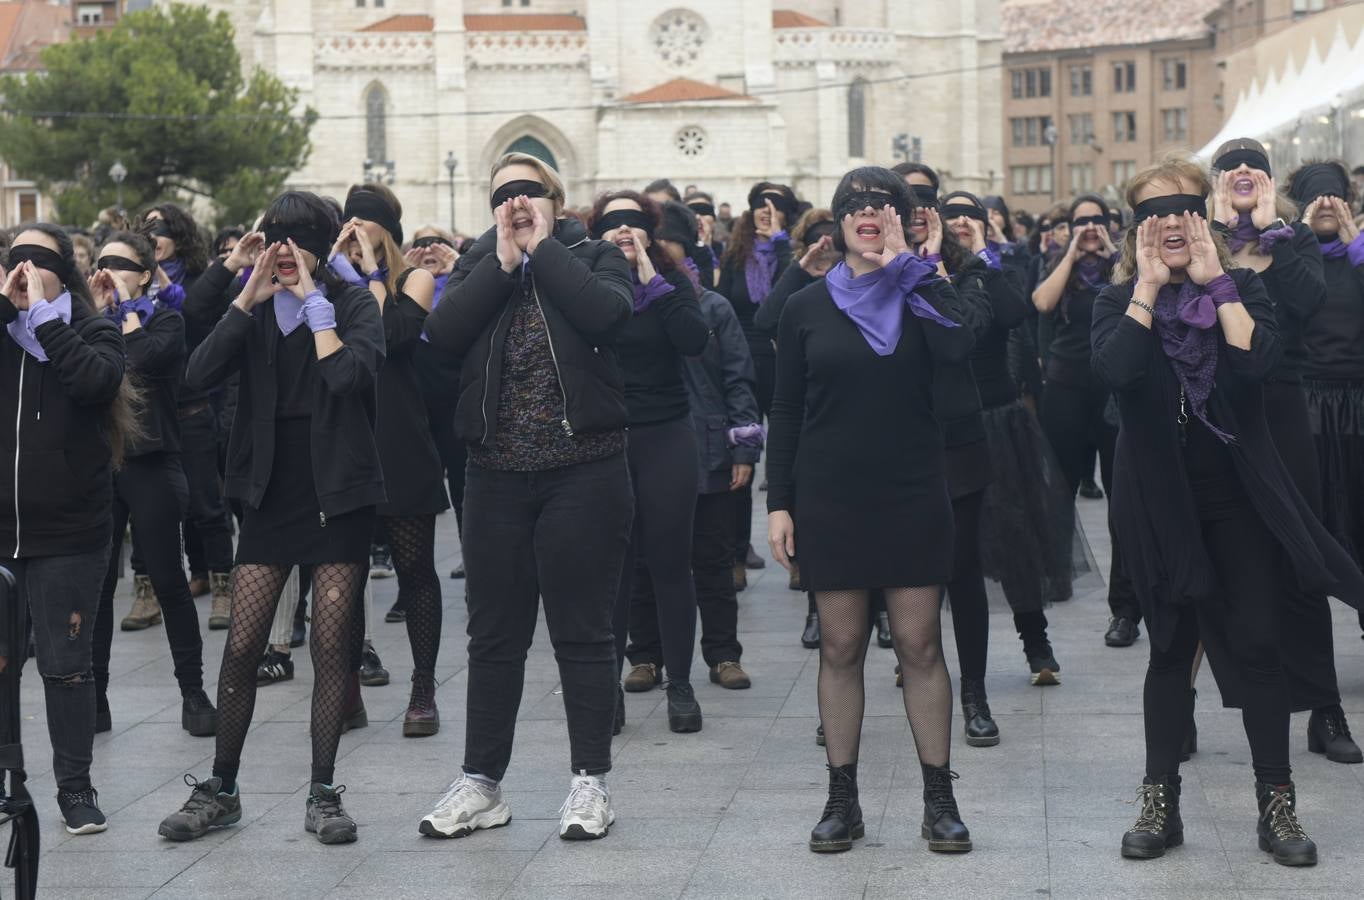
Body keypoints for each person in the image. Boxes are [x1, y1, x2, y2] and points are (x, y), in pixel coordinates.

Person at [1094, 157, 1363, 867]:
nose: (1169, 226)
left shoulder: (1241, 288)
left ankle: (1277, 805)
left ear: (1205, 218)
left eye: (1183, 211)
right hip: (1157, 500)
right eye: (1152, 215)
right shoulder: (1118, 300)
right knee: (1169, 650)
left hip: (1238, 496)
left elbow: (1257, 363)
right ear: (1135, 230)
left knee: (1259, 643)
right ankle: (1160, 802)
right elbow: (1116, 372)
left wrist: (1217, 282)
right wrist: (1148, 287)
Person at [158, 190, 385, 845]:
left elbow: (348, 377)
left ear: (319, 245)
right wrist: (243, 300)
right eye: (275, 238)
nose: (284, 251)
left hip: (337, 492)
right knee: (242, 647)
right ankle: (222, 788)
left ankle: (323, 794)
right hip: (268, 494)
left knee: (331, 648)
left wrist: (317, 307)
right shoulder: (254, 310)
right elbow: (196, 374)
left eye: (298, 240)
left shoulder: (352, 304)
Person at [419, 152, 634, 841]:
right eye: (502, 194)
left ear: (554, 199)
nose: (515, 203)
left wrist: (544, 249)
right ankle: (482, 784)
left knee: (582, 630)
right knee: (494, 636)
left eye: (528, 191)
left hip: (584, 471)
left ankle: (590, 783)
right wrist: (504, 262)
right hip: (495, 476)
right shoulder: (480, 264)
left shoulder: (594, 255)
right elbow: (442, 336)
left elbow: (607, 316)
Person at [767, 166, 975, 855]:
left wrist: (909, 270)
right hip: (830, 493)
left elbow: (960, 347)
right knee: (840, 646)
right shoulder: (806, 305)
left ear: (903, 220)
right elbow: (786, 410)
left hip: (912, 488)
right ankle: (841, 800)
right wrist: (779, 503)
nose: (868, 212)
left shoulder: (924, 290)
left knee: (920, 644)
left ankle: (939, 800)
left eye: (883, 204)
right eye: (854, 203)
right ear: (837, 221)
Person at [1207, 142, 1360, 765]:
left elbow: (1307, 304)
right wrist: (1218, 232)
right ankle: (1181, 708)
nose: (1245, 172)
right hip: (1216, 411)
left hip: (1284, 410)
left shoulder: (1292, 240)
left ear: (1272, 184)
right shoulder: (1201, 238)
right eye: (1232, 166)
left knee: (1302, 559)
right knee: (1210, 558)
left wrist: (1274, 230)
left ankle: (1325, 709)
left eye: (1257, 166)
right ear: (1217, 183)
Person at [0, 224, 135, 835]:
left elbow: (95, 382)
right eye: (17, 258)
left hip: (70, 530)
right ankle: (6, 778)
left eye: (40, 260)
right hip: (4, 531)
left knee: (66, 665)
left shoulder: (92, 328)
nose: (26, 269)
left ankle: (76, 787)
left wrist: (45, 319)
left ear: (66, 272)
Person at [939, 191, 1073, 693]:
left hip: (999, 420)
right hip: (943, 426)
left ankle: (1036, 644)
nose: (961, 223)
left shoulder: (998, 271)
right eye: (951, 217)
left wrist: (980, 256)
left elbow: (1016, 313)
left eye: (970, 217)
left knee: (1015, 536)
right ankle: (919, 645)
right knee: (941, 541)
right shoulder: (924, 271)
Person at [88, 230, 217, 738]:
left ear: (145, 274)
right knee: (98, 586)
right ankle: (95, 697)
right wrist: (97, 312)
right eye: (103, 261)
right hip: (98, 467)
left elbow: (140, 358)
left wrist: (125, 310)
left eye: (122, 264)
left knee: (168, 579)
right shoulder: (85, 323)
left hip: (152, 461)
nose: (109, 270)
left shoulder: (166, 320)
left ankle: (193, 691)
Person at [589, 191, 709, 730]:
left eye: (633, 222)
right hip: (605, 438)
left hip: (665, 433)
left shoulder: (671, 282)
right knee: (612, 571)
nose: (623, 230)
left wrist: (650, 279)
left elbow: (694, 340)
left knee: (670, 562)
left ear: (649, 232)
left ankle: (680, 684)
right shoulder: (585, 284)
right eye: (612, 222)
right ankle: (606, 690)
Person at [329, 184, 446, 737]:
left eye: (365, 228)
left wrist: (373, 271)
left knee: (415, 570)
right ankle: (347, 688)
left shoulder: (413, 280)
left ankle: (423, 689)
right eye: (348, 228)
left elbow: (387, 337)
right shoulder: (330, 283)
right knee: (344, 576)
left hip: (399, 437)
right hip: (347, 436)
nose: (354, 237)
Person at [1032, 194, 1141, 647]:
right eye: (1082, 221)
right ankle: (1056, 576)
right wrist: (1072, 253)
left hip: (1115, 392)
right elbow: (1042, 303)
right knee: (1059, 490)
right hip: (1065, 389)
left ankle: (1125, 608)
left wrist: (1113, 251)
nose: (1091, 227)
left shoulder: (1126, 266)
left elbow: (1138, 292)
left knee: (1122, 500)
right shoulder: (1057, 264)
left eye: (1099, 220)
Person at [136, 204, 234, 632]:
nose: (153, 236)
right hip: (145, 413)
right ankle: (149, 592)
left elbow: (197, 324)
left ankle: (223, 585)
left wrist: (163, 285)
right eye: (145, 229)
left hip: (191, 406)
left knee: (206, 504)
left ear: (178, 235)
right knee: (147, 507)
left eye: (160, 229)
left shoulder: (195, 281)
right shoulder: (130, 281)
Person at [1295, 159, 1364, 677]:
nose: (1325, 205)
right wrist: (1297, 239)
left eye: (1333, 195)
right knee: (1312, 530)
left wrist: (1354, 241)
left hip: (1359, 401)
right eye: (1314, 196)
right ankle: (1309, 664)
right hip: (1308, 404)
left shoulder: (1360, 254)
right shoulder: (1289, 257)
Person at [719, 181, 798, 589]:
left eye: (775, 206)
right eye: (760, 206)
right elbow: (723, 303)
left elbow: (790, 293)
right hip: (743, 362)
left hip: (786, 362)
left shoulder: (795, 252)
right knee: (742, 457)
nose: (766, 212)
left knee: (791, 458)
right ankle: (736, 553)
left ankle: (799, 553)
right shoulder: (736, 254)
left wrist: (782, 242)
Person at [405, 226, 467, 580]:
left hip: (455, 401)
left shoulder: (463, 285)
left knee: (462, 484)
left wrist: (460, 268)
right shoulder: (404, 288)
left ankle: (472, 556)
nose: (429, 250)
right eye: (421, 244)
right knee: (414, 489)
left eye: (437, 243)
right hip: (414, 403)